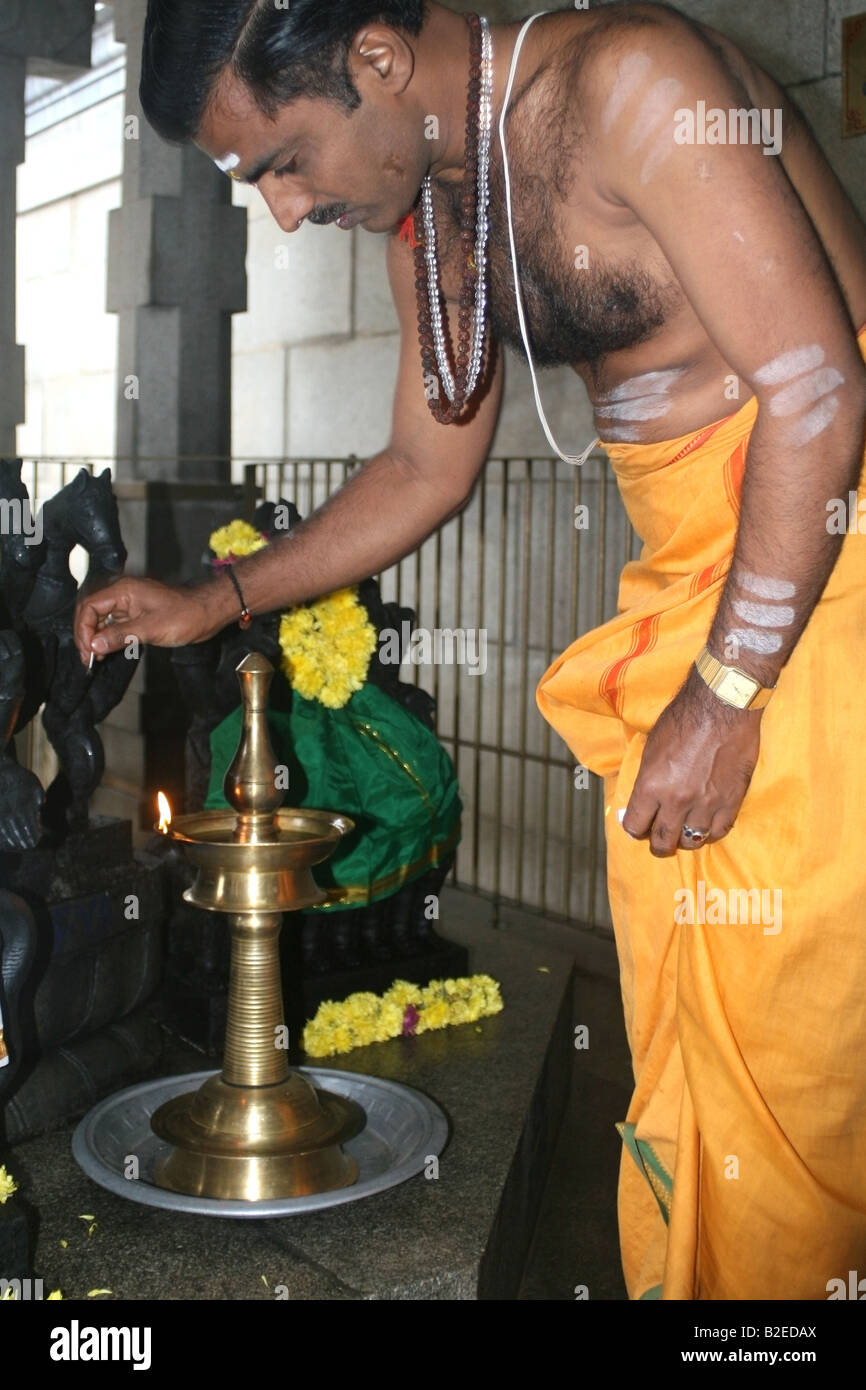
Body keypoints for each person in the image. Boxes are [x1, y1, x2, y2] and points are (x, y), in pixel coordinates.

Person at [74, 1, 866, 1300]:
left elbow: (819, 394)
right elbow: (418, 464)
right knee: (692, 1071)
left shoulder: (630, 82)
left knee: (791, 1086)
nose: (281, 210)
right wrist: (208, 601)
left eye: (281, 162)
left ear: (378, 60)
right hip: (698, 611)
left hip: (814, 593)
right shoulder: (438, 203)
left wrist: (728, 689)